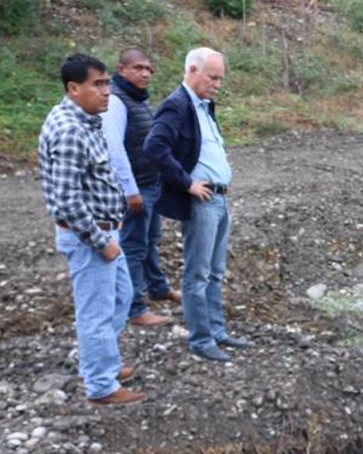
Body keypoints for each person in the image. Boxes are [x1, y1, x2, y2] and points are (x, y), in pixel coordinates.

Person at [38, 53, 145, 405]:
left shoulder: (85, 120)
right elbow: (68, 201)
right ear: (73, 89)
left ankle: (100, 362)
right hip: (91, 238)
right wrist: (101, 242)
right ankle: (101, 385)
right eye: (97, 85)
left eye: (107, 83)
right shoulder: (70, 131)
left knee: (121, 296)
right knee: (96, 313)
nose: (106, 92)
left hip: (105, 231)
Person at [144, 47, 249, 363]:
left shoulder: (203, 106)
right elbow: (154, 146)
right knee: (198, 274)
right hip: (202, 201)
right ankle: (200, 340)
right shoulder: (177, 105)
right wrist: (186, 182)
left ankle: (216, 332)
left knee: (215, 272)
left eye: (221, 79)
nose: (218, 84)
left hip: (219, 198)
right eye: (212, 77)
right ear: (192, 71)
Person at [102, 48, 179, 327]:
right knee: (133, 246)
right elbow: (114, 149)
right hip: (136, 187)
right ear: (121, 70)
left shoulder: (136, 99)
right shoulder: (116, 101)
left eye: (148, 69)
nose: (145, 73)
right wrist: (129, 190)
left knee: (150, 240)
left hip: (150, 182)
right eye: (138, 68)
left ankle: (157, 287)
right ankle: (134, 308)